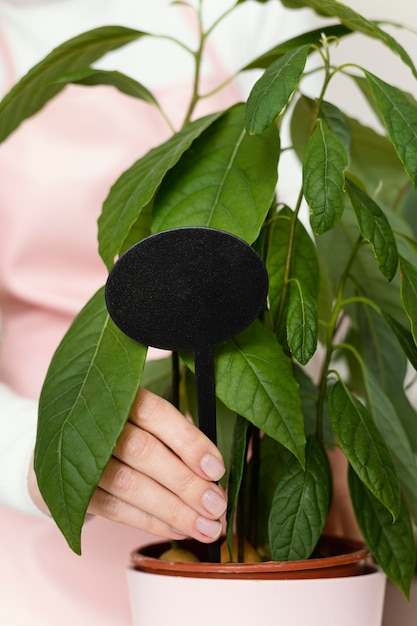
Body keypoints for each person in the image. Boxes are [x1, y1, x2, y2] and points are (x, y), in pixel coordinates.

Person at [0, 1, 311, 624]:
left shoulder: (245, 17)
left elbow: (305, 255)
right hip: (40, 529)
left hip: (261, 517)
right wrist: (42, 456)